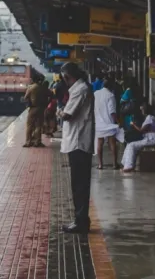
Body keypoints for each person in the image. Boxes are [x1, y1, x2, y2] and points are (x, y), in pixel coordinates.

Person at [57, 62, 94, 234]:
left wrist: (59, 112)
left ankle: (81, 222)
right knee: (79, 183)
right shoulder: (80, 88)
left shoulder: (80, 90)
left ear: (66, 76)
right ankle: (80, 219)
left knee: (79, 184)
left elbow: (67, 115)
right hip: (77, 141)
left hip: (79, 142)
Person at [121, 102, 155, 172]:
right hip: (149, 138)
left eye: (142, 110)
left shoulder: (150, 118)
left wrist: (133, 125)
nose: (141, 111)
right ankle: (125, 164)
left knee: (132, 145)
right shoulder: (151, 117)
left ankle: (129, 166)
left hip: (151, 139)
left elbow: (141, 130)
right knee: (129, 143)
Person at [94, 77, 123, 169]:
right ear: (111, 86)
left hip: (98, 123)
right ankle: (114, 164)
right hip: (109, 123)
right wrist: (118, 122)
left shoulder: (95, 94)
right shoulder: (110, 95)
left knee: (100, 143)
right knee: (112, 143)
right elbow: (112, 112)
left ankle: (100, 164)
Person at [22, 72, 50, 148]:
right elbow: (51, 95)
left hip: (33, 108)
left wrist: (29, 102)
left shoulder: (31, 87)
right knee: (39, 125)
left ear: (33, 80)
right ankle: (37, 142)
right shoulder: (44, 87)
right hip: (41, 108)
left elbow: (25, 98)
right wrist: (47, 103)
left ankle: (28, 142)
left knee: (30, 125)